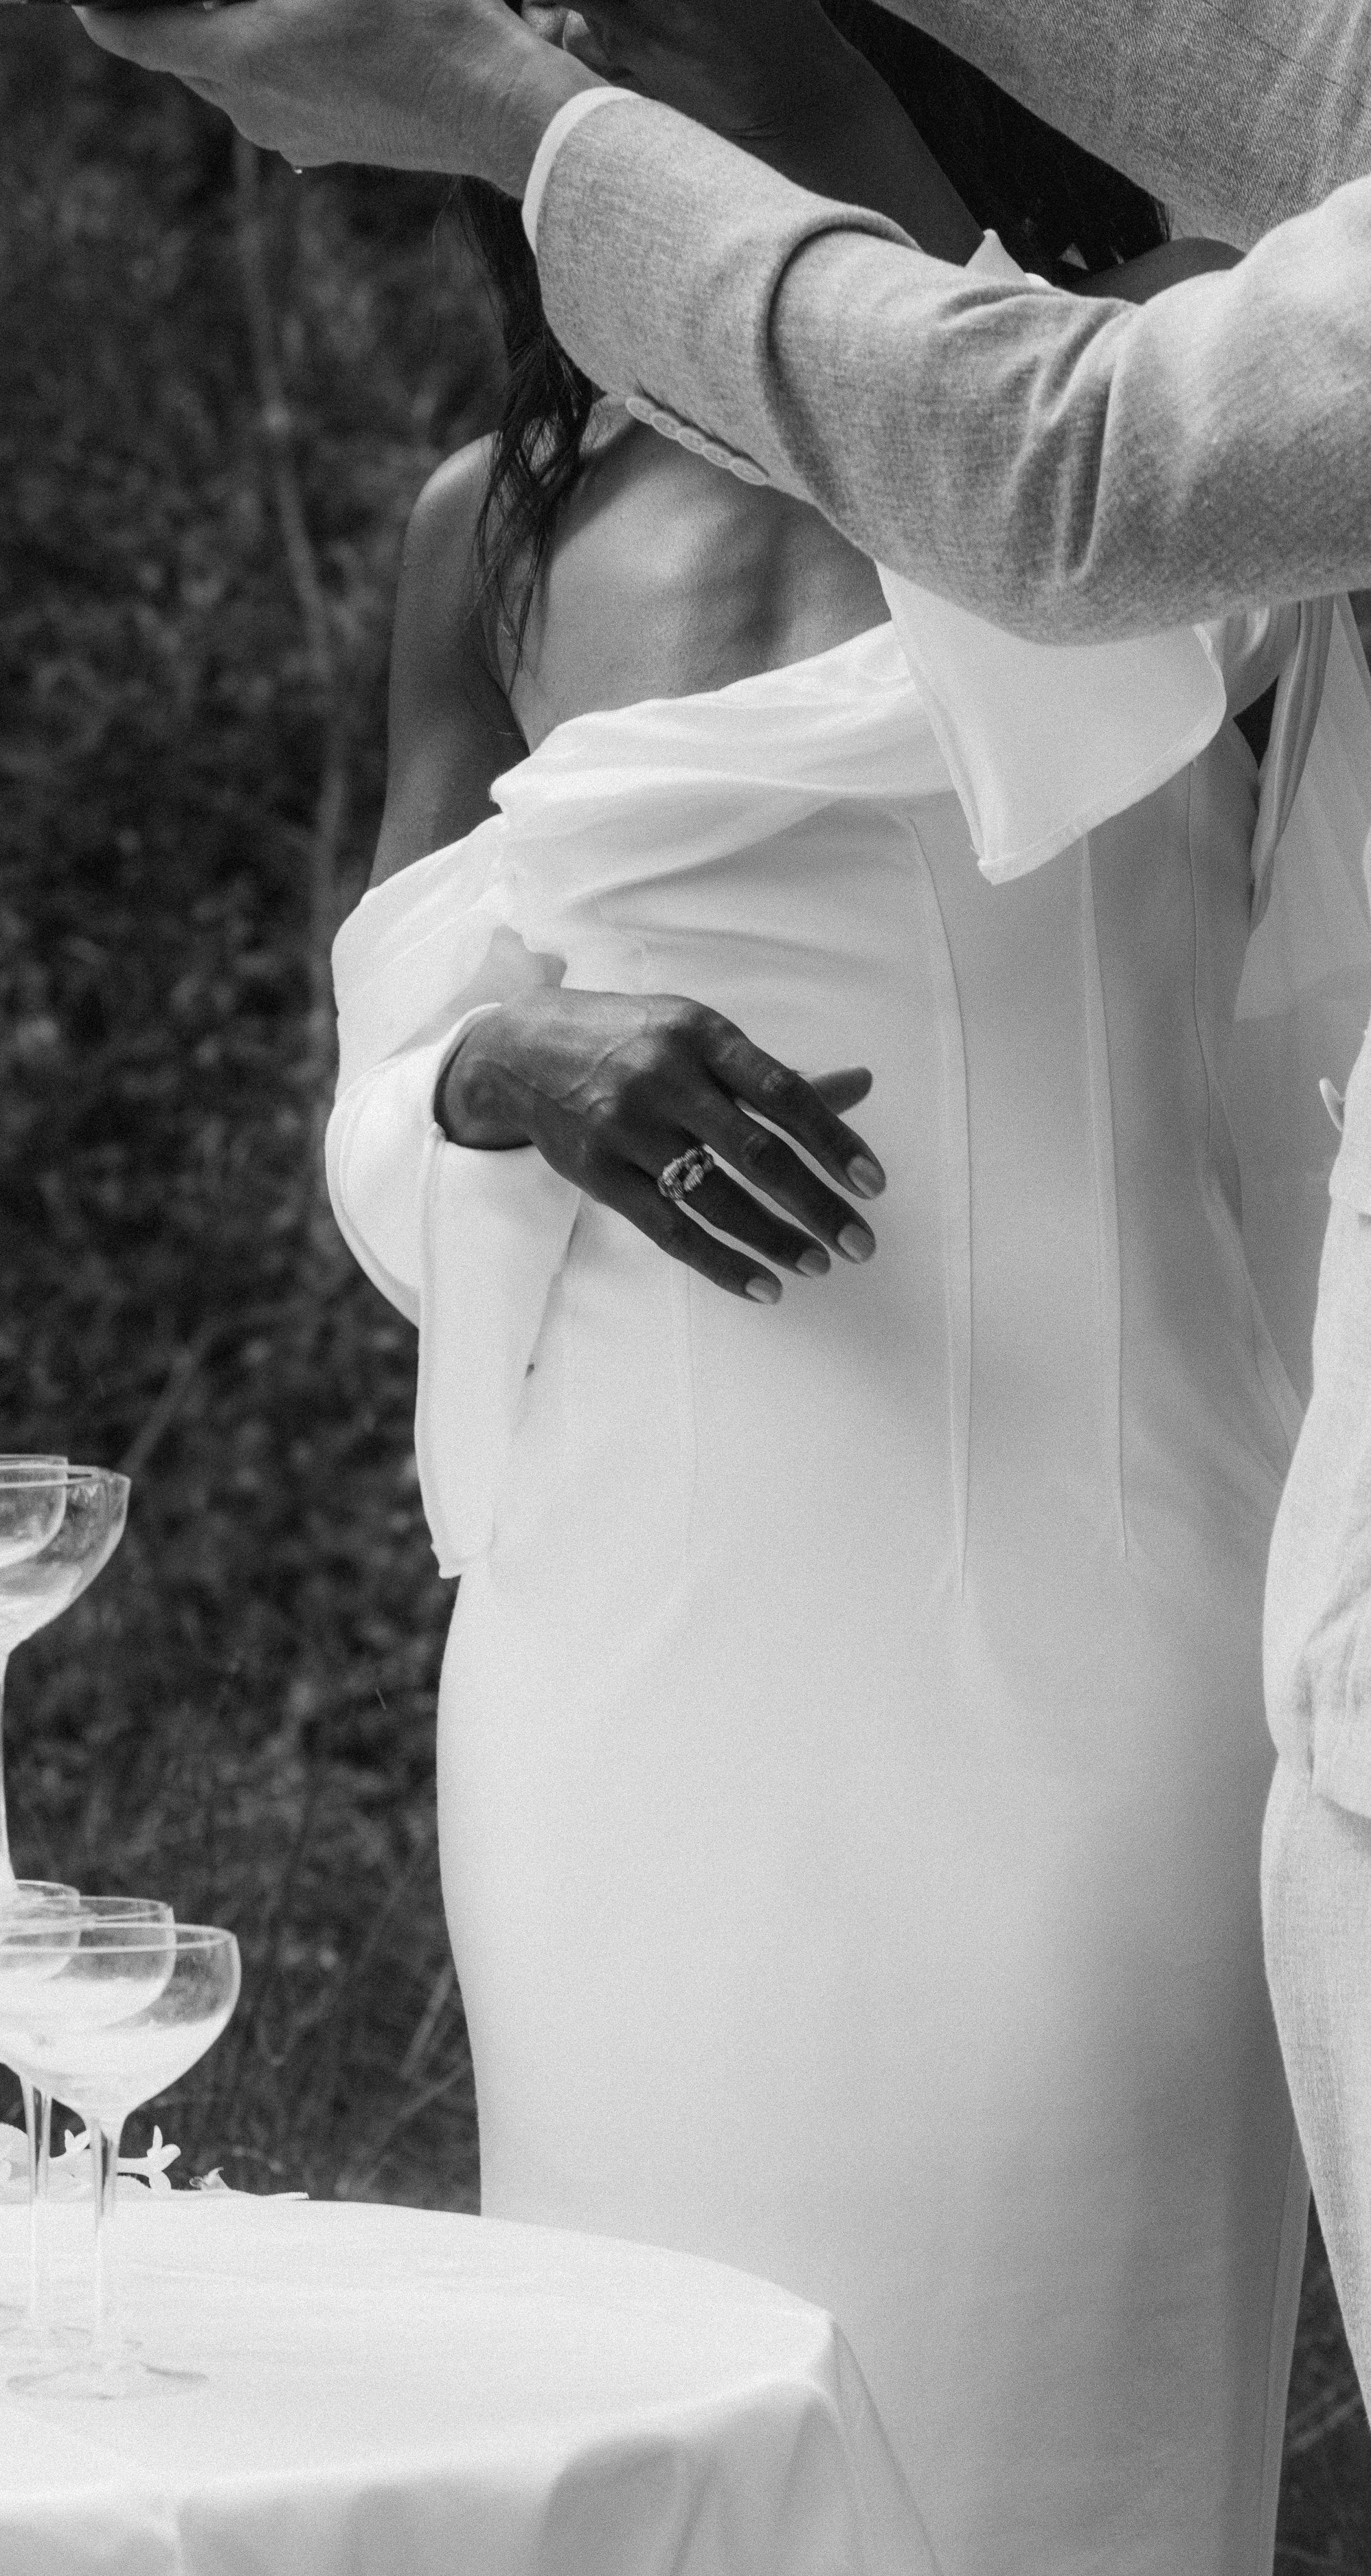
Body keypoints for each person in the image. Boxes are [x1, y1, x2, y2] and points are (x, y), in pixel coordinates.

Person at [81, 0, 1371, 2408]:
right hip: (632, 1613)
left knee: (1045, 2405)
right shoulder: (488, 523)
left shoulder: (1172, 369)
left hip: (1089, 1587)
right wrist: (503, 1067)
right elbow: (393, 1050)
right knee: (640, 2391)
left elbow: (1252, 833)